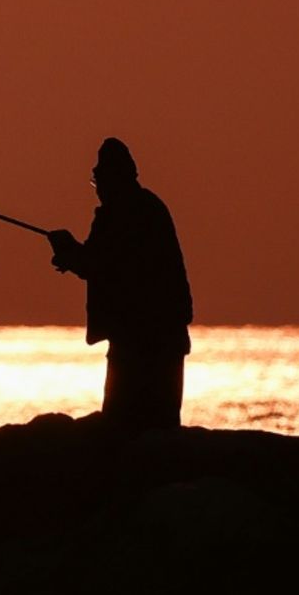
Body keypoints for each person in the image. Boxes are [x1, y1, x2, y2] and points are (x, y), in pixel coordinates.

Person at [47, 138, 192, 431]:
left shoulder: (120, 215)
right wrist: (73, 254)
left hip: (139, 344)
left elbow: (101, 263)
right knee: (159, 431)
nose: (97, 188)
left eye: (98, 180)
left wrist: (70, 252)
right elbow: (103, 262)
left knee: (124, 428)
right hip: (163, 340)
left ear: (113, 179)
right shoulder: (149, 208)